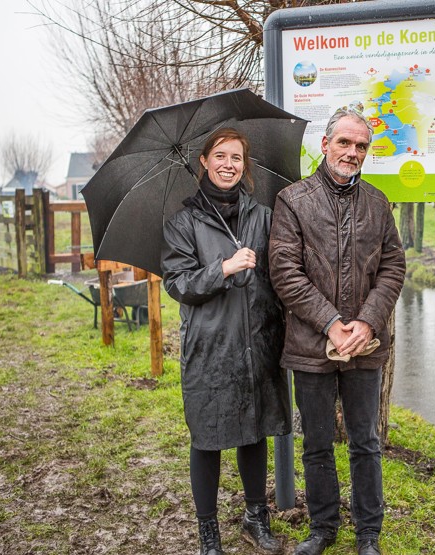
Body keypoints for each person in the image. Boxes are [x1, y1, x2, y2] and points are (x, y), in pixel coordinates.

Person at [268, 108, 406, 555]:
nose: (352, 152)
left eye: (361, 146)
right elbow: (285, 272)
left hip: (365, 346)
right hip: (311, 346)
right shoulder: (293, 200)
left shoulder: (378, 203)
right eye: (344, 143)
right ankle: (323, 529)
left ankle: (369, 533)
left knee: (366, 442)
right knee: (317, 443)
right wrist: (330, 322)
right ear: (325, 145)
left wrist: (366, 321)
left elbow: (392, 266)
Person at [161, 128, 291, 555]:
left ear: (245, 165)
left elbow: (281, 272)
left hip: (257, 341)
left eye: (236, 157)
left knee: (254, 432)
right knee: (208, 436)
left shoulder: (262, 216)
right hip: (210, 347)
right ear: (203, 161)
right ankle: (208, 531)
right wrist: (224, 268)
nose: (228, 164)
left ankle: (256, 517)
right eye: (220, 156)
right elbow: (178, 284)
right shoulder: (183, 223)